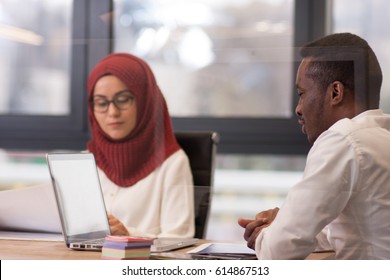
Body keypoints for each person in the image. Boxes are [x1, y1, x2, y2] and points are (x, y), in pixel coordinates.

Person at [238, 32, 390, 259]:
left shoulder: (344, 139)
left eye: (302, 93)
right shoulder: (380, 137)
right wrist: (283, 223)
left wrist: (265, 235)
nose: (298, 109)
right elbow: (354, 229)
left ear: (335, 92)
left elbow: (279, 252)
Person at [87, 53, 194, 238]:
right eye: (101, 103)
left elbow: (179, 242)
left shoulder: (172, 163)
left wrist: (128, 235)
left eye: (122, 100)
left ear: (146, 100)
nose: (112, 112)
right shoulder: (86, 162)